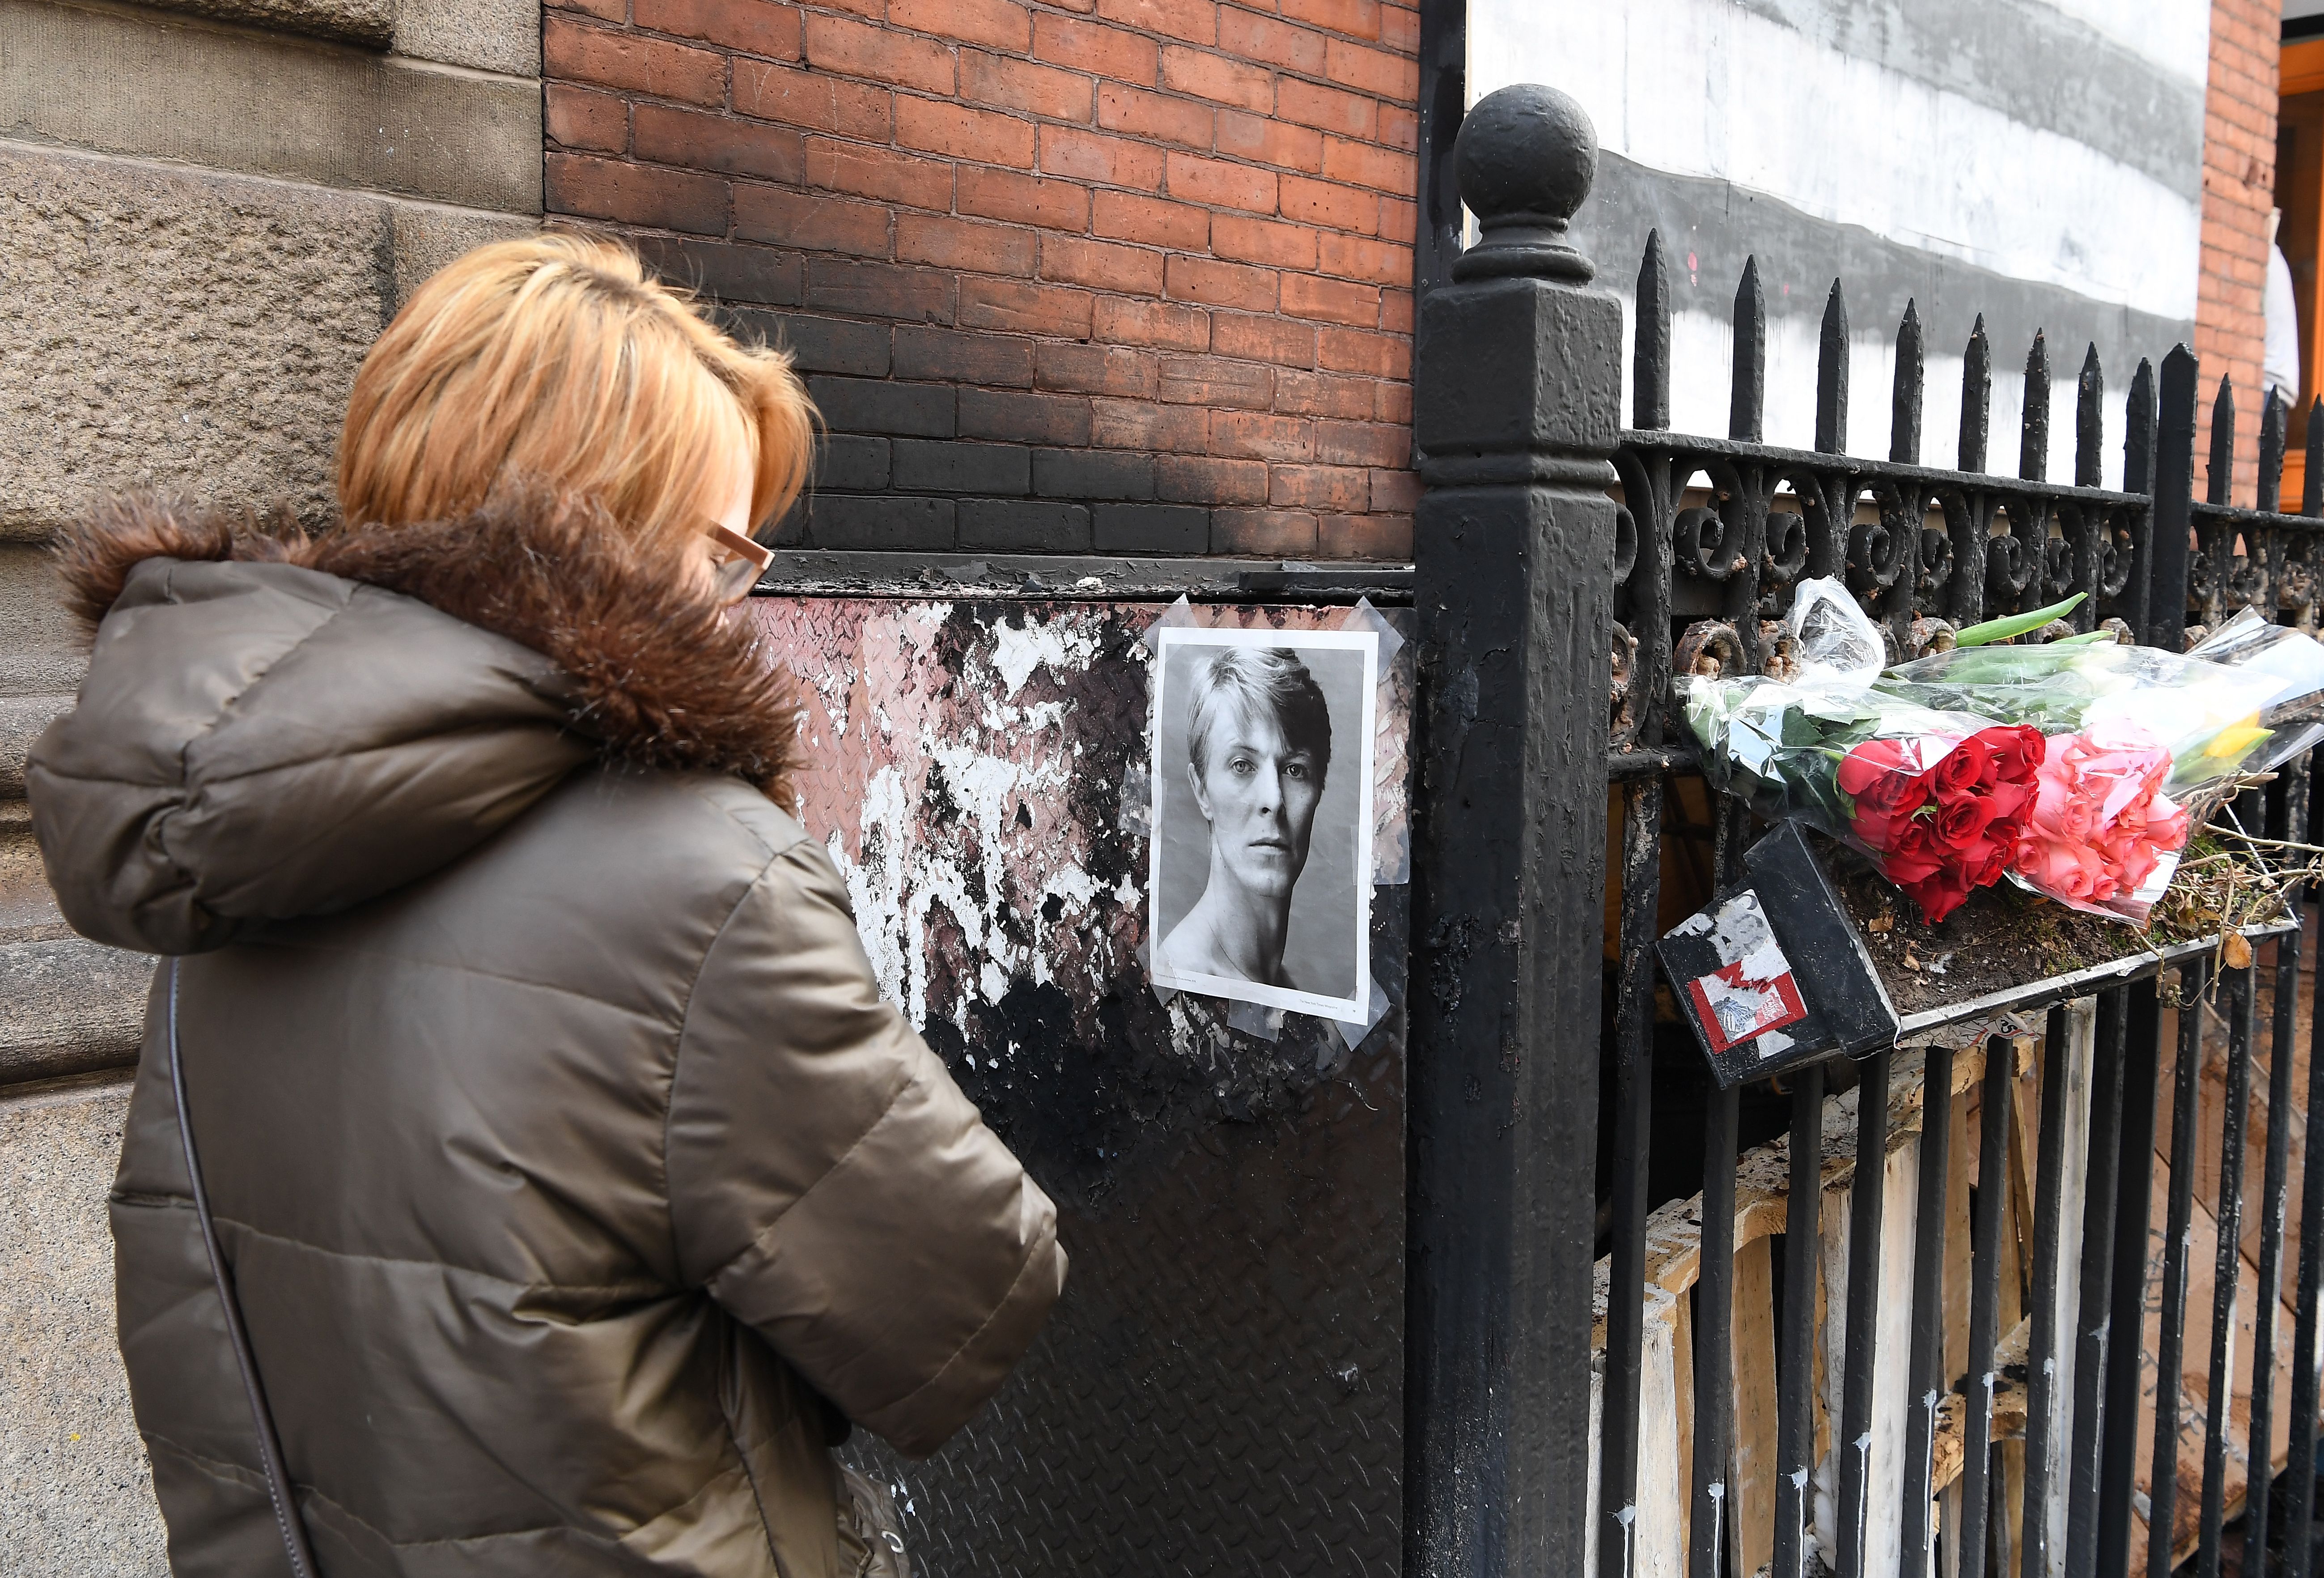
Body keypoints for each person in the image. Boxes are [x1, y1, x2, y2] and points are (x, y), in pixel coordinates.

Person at [27, 235, 1065, 1577]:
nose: (731, 605)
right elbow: (963, 1298)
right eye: (720, 549)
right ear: (597, 522)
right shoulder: (698, 873)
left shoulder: (222, 847)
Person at [1156, 645, 1332, 991]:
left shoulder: (1284, 988)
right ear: (1202, 790)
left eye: (1295, 770)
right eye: (1242, 765)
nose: (1274, 800)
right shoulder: (1179, 981)